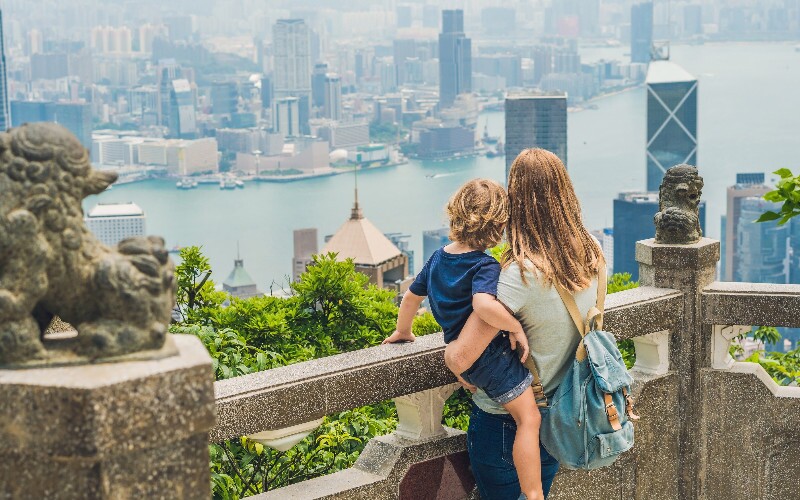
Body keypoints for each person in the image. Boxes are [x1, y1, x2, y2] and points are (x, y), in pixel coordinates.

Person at [445, 149, 606, 499]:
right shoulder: (591, 250)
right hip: (559, 416)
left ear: (515, 200)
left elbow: (461, 358)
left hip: (505, 424)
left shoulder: (519, 275)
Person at [383, 178, 545, 500]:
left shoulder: (438, 258)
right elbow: (483, 306)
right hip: (491, 359)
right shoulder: (484, 265)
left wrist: (403, 331)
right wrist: (514, 326)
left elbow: (411, 298)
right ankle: (534, 492)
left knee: (522, 416)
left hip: (465, 360)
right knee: (530, 418)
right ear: (497, 224)